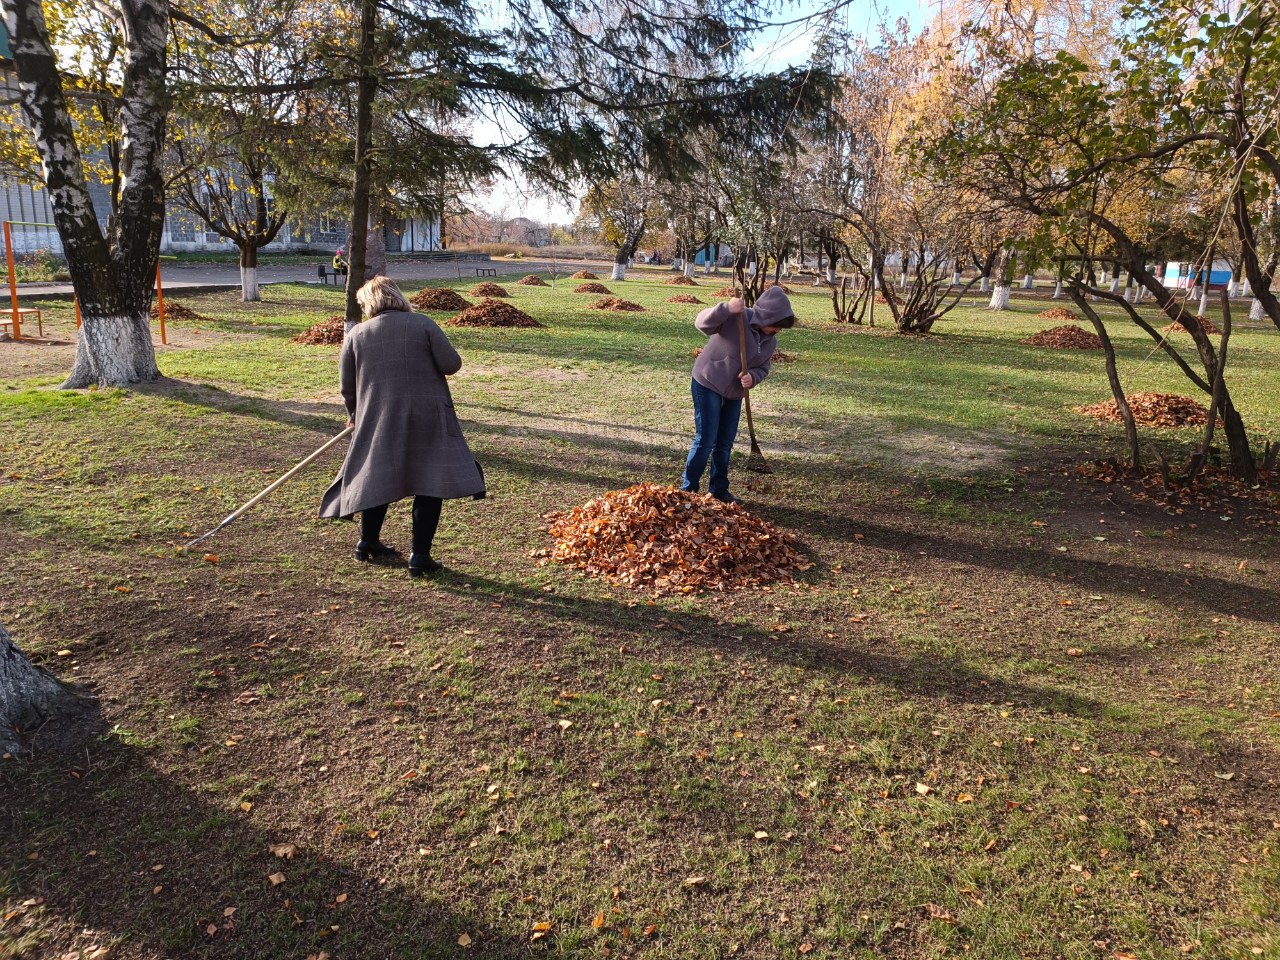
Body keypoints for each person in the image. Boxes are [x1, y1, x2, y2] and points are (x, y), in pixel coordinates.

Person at [320, 276, 485, 576]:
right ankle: (419, 557)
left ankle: (367, 542)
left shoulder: (356, 335)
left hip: (378, 417)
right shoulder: (423, 324)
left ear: (369, 303)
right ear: (398, 296)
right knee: (429, 482)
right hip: (428, 417)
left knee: (376, 475)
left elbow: (347, 387)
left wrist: (355, 415)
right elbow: (451, 364)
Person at [680, 286, 795, 503]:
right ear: (764, 317)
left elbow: (763, 368)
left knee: (724, 442)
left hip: (734, 392)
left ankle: (718, 489)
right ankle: (687, 490)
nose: (778, 330)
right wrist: (725, 308)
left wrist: (753, 376)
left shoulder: (770, 341)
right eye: (776, 325)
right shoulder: (737, 317)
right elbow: (702, 323)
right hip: (708, 381)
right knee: (706, 439)